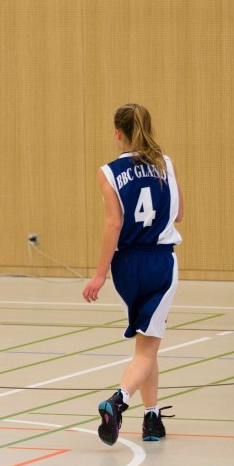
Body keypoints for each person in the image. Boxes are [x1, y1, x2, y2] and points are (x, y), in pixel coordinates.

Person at [83, 103, 184, 446]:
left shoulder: (108, 172)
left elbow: (114, 225)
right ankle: (118, 401)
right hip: (159, 262)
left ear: (118, 134)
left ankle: (152, 419)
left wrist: (99, 275)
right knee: (147, 348)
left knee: (147, 341)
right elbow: (179, 214)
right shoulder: (164, 164)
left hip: (125, 266)